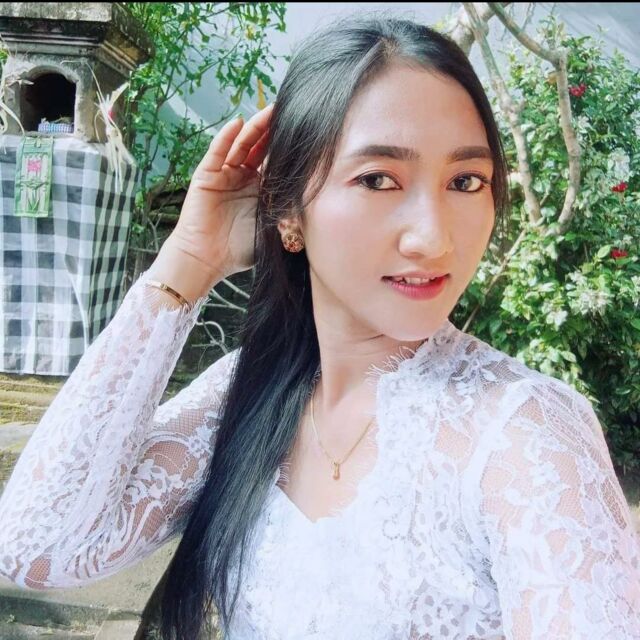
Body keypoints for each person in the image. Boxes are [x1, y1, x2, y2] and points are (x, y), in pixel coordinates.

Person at [1, 13, 639, 640]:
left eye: (465, 181)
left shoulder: (524, 438)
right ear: (288, 212)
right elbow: (37, 549)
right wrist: (187, 265)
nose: (433, 237)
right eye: (378, 179)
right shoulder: (248, 391)